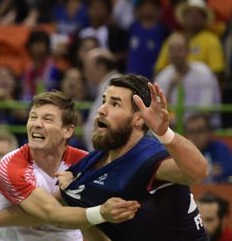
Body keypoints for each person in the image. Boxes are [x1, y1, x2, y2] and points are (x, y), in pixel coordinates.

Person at [59, 75, 209, 240]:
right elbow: (53, 210)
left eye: (115, 104)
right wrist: (68, 192)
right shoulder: (95, 160)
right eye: (104, 101)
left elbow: (199, 172)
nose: (101, 110)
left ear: (138, 118)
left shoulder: (151, 158)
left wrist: (164, 133)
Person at [0, 91, 140, 241]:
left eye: (47, 119)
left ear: (68, 131)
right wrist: (100, 212)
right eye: (33, 117)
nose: (36, 124)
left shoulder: (84, 162)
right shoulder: (11, 166)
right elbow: (52, 214)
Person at [184, 114, 232, 183]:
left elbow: (227, 171)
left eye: (200, 131)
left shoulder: (220, 148)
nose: (195, 136)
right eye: (191, 132)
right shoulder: (182, 151)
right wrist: (207, 171)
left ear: (209, 132)